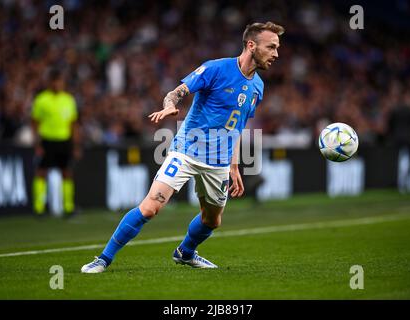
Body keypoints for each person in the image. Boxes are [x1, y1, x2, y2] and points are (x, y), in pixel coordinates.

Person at [81, 21, 284, 273]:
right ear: (251, 45)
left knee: (212, 220)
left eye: (277, 48)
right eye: (271, 47)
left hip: (219, 162)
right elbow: (177, 92)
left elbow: (237, 126)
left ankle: (185, 253)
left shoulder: (258, 87)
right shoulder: (216, 69)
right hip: (187, 151)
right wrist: (168, 105)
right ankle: (103, 258)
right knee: (151, 206)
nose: (276, 54)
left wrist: (234, 165)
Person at [31, 69, 81, 217]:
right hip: (47, 141)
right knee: (41, 172)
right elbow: (35, 123)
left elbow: (73, 124)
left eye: (60, 81)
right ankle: (39, 207)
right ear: (50, 82)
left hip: (64, 141)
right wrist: (37, 143)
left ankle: (68, 207)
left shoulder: (69, 100)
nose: (57, 84)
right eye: (55, 81)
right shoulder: (41, 100)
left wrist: (75, 144)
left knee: (66, 172)